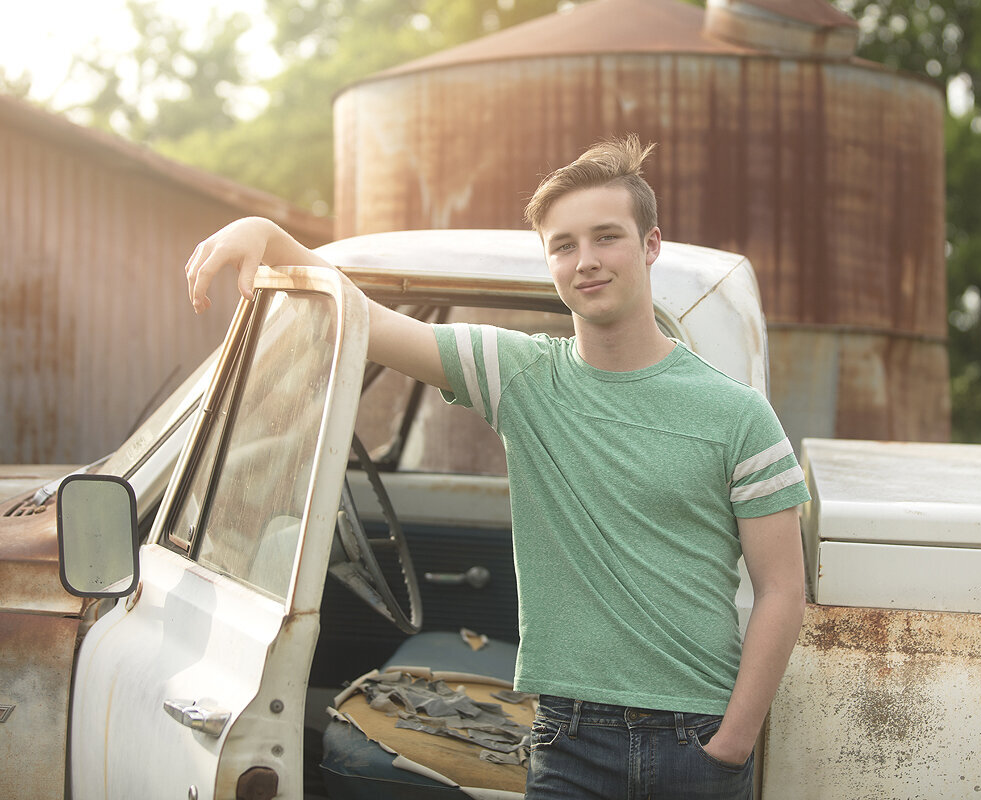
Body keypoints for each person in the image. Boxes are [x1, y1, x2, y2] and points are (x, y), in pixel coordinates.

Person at [186, 135, 809, 800]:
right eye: (564, 245)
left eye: (607, 238)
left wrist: (732, 742)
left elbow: (781, 590)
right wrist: (267, 235)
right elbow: (364, 319)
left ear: (650, 245)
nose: (586, 261)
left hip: (698, 741)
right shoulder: (522, 376)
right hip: (569, 739)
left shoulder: (738, 415)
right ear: (550, 262)